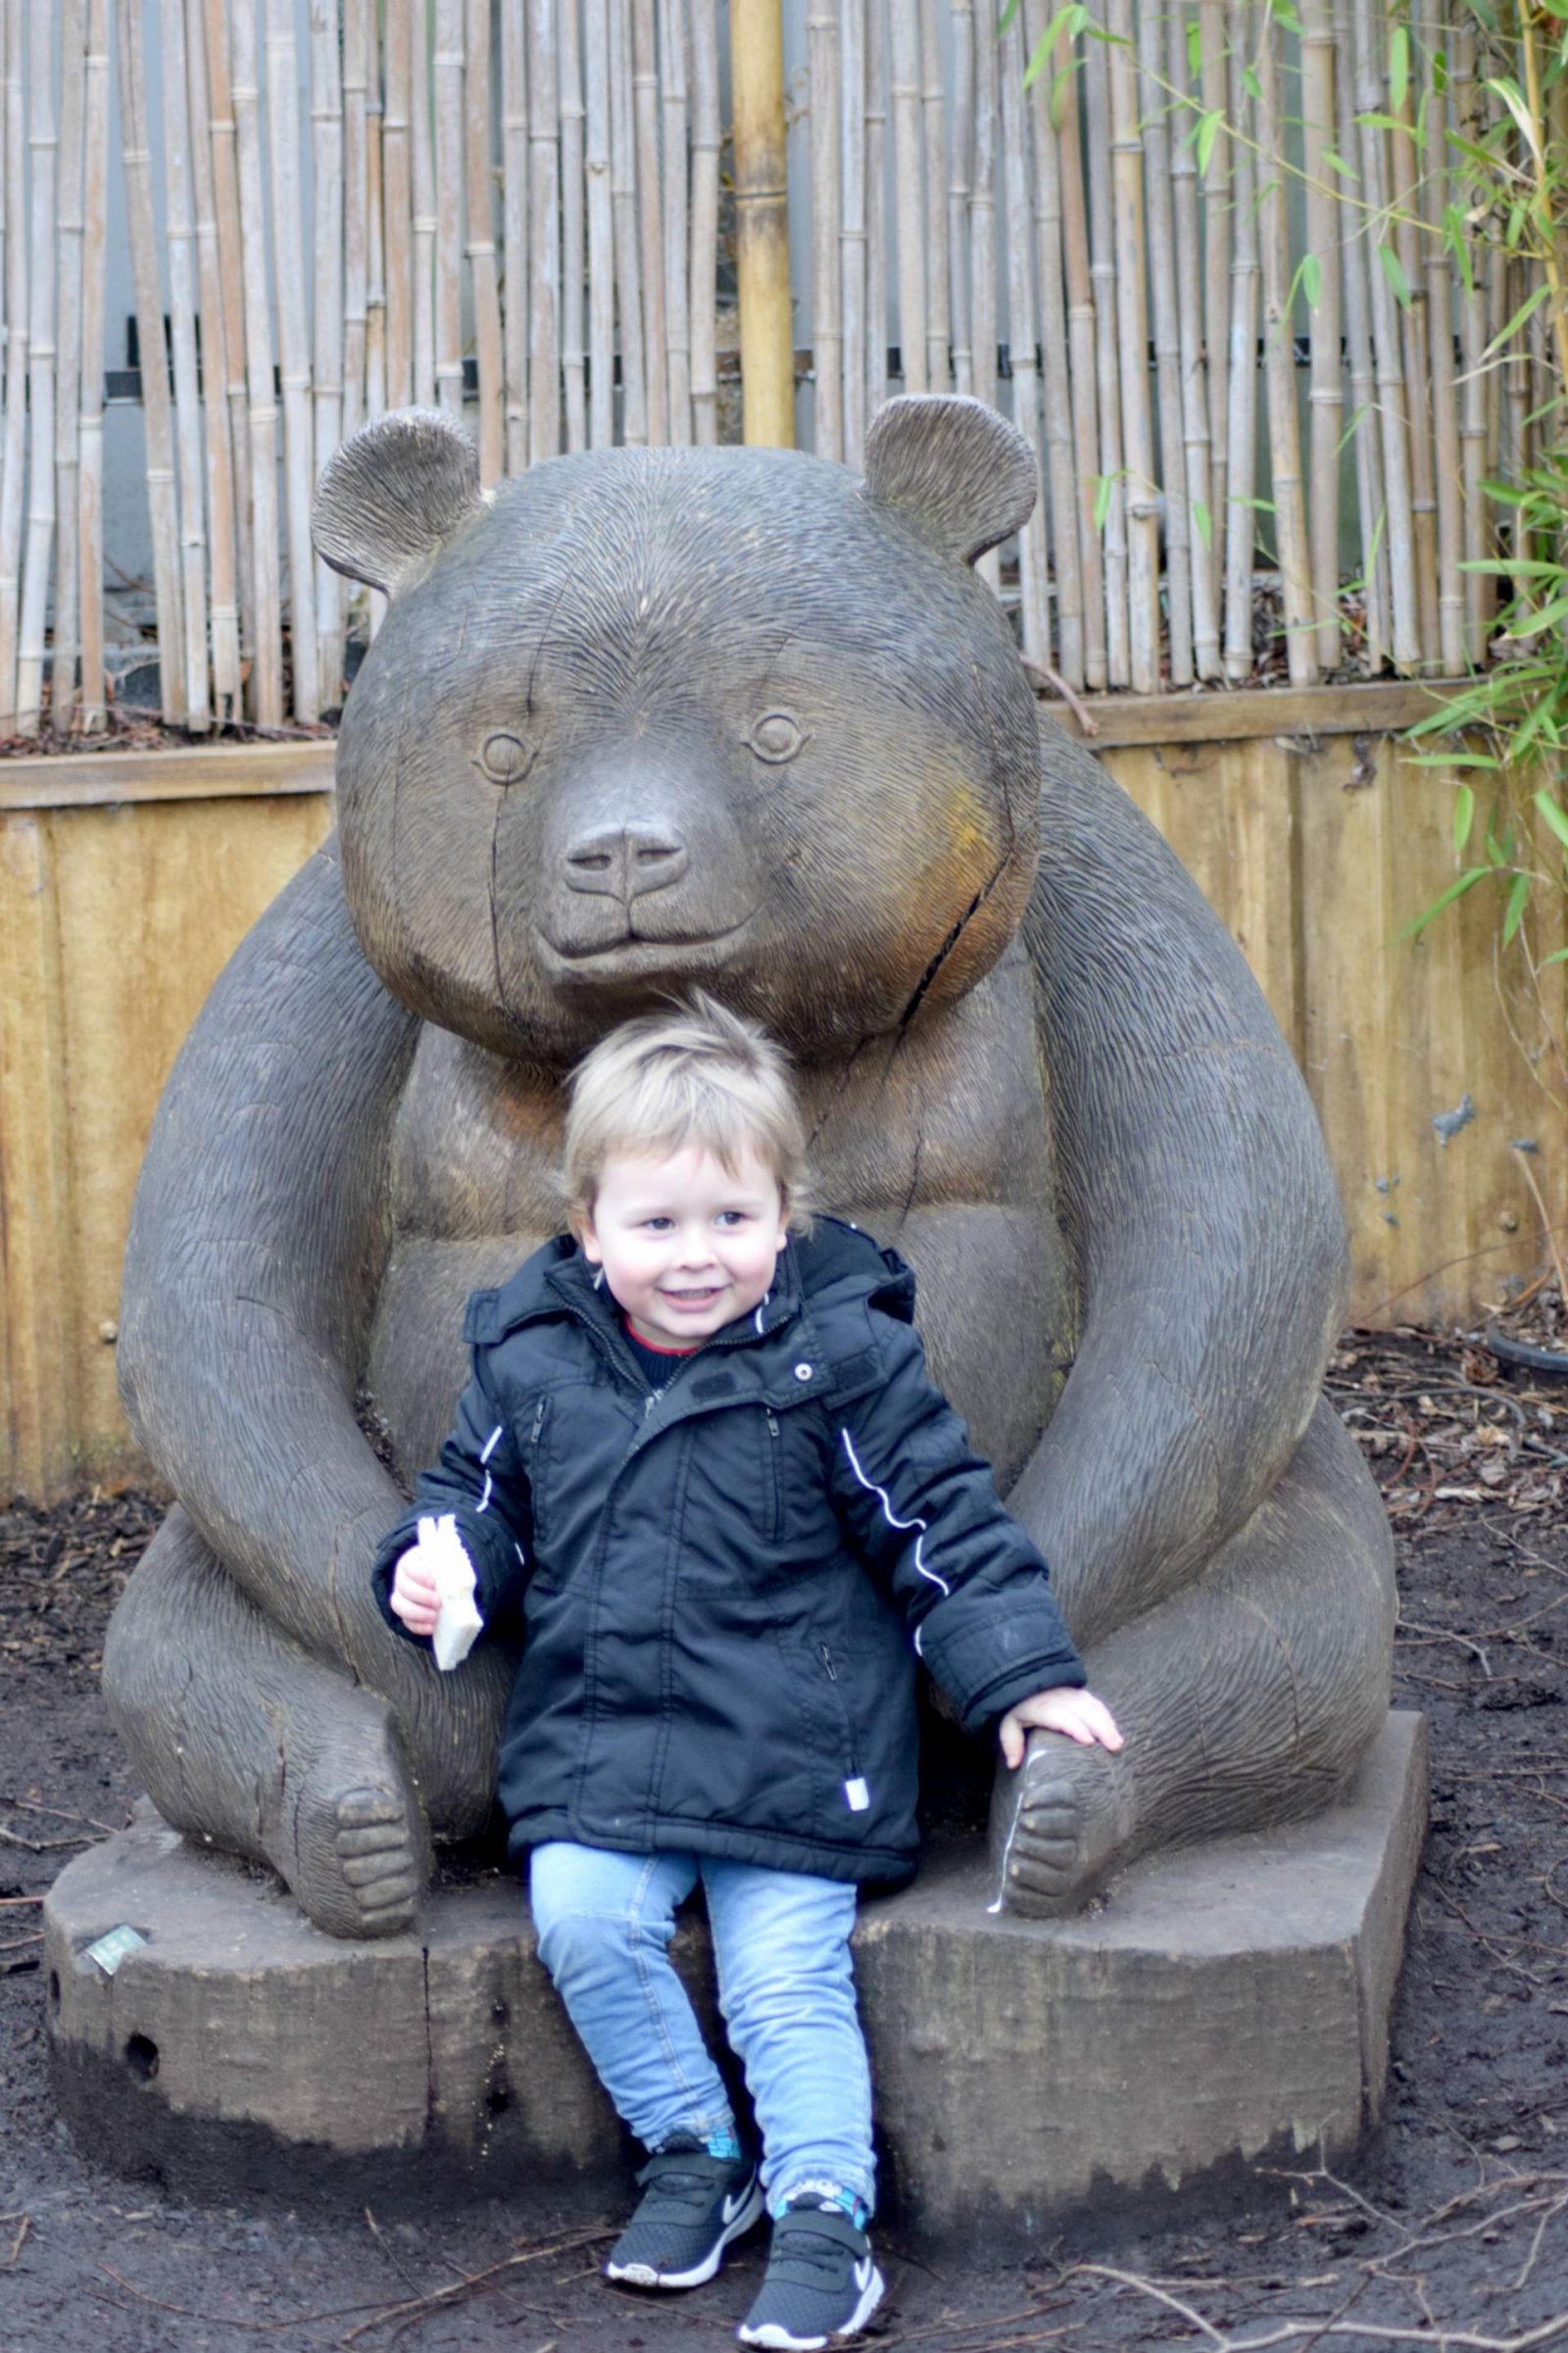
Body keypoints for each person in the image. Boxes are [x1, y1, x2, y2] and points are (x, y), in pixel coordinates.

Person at [372, 994, 1122, 2351]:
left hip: (794, 1748)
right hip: (605, 1745)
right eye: (658, 1225)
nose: (698, 1256)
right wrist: (436, 1570)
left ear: (786, 1213)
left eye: (732, 1219)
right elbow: (466, 1504)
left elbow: (937, 1517)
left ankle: (827, 2212)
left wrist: (1021, 1676)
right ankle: (695, 2150)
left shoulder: (841, 1355)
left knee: (784, 1980)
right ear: (590, 1229)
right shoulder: (532, 1360)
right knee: (586, 1923)